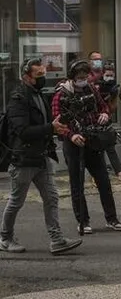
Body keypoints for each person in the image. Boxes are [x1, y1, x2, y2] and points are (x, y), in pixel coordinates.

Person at [0, 58, 82, 255]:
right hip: (24, 158)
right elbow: (23, 131)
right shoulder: (18, 98)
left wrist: (54, 128)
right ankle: (5, 237)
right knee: (16, 200)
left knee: (51, 197)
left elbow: (44, 125)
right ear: (26, 77)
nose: (43, 78)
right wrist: (49, 128)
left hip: (42, 155)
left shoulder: (38, 94)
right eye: (39, 75)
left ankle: (57, 240)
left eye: (44, 73)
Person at [52, 60, 121, 235]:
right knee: (77, 184)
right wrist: (71, 135)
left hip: (93, 141)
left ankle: (112, 218)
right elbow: (57, 121)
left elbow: (104, 107)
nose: (83, 80)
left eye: (85, 77)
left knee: (104, 181)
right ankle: (83, 221)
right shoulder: (61, 95)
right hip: (74, 143)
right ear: (72, 77)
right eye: (80, 78)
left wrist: (104, 114)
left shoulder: (92, 89)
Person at [97, 62, 121, 186]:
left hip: (107, 121)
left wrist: (112, 96)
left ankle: (120, 173)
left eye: (112, 75)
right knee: (98, 151)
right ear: (102, 75)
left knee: (110, 149)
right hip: (94, 122)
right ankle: (97, 177)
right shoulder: (96, 87)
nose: (109, 77)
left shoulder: (112, 87)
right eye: (107, 75)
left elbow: (113, 108)